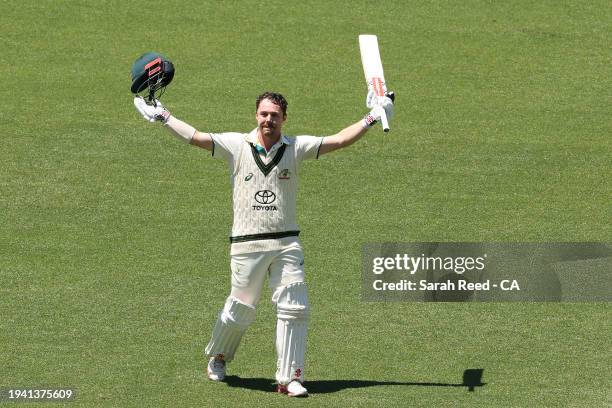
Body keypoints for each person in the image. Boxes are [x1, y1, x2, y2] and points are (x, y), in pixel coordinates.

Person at [134, 90, 394, 397]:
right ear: (256, 115)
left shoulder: (296, 147)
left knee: (295, 307)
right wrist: (164, 117)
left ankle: (291, 378)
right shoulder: (236, 145)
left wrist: (372, 117)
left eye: (274, 115)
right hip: (247, 244)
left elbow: (339, 140)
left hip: (286, 243)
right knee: (241, 310)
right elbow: (196, 137)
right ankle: (218, 357)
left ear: (284, 118)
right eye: (263, 114)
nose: (268, 119)